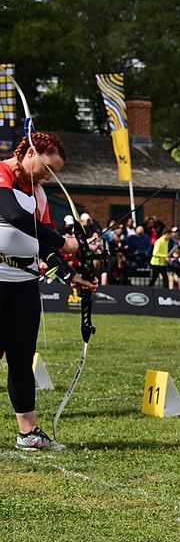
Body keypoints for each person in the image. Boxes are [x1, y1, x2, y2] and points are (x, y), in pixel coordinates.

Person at [0, 132, 97, 451]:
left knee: (21, 357)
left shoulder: (39, 194)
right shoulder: (1, 174)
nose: (48, 175)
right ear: (30, 152)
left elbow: (44, 247)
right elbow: (13, 215)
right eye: (47, 167)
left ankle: (28, 432)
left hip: (23, 285)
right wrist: (65, 242)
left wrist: (71, 276)